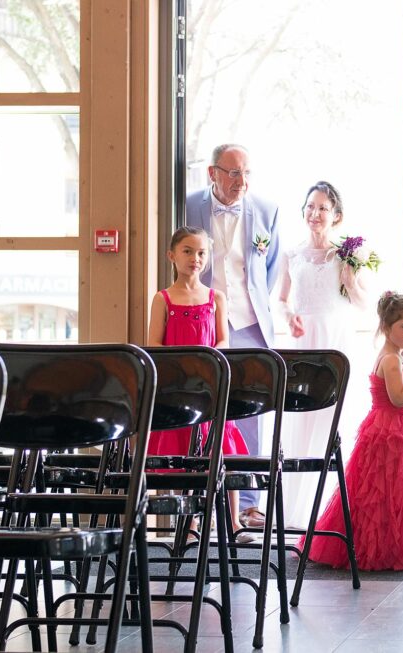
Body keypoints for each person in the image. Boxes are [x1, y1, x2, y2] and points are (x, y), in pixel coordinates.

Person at [303, 292, 403, 571]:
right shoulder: (391, 360)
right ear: (386, 327)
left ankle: (386, 546)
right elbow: (398, 398)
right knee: (384, 490)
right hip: (390, 429)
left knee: (391, 489)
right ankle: (377, 549)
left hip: (392, 427)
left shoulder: (396, 356)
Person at [186, 144, 281, 530]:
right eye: (233, 172)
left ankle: (249, 504)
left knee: (251, 412)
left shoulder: (267, 210)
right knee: (202, 409)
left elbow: (268, 268)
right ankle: (201, 503)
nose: (241, 181)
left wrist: (252, 305)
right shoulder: (188, 205)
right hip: (202, 321)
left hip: (248, 324)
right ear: (213, 173)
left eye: (246, 173)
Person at [275, 181, 372, 527]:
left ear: (336, 216)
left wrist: (351, 279)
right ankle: (298, 512)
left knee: (334, 416)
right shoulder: (292, 254)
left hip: (336, 339)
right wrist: (289, 316)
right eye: (310, 207)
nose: (314, 214)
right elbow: (281, 299)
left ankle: (334, 512)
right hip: (304, 341)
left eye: (323, 208)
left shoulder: (346, 254)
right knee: (301, 417)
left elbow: (364, 303)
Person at [147, 226, 250, 540]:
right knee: (184, 454)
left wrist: (208, 360)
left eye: (202, 252)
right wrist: (182, 365)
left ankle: (233, 522)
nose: (195, 258)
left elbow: (223, 339)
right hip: (179, 389)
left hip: (211, 387)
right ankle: (190, 524)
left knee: (221, 450)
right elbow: (154, 344)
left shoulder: (216, 297)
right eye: (188, 251)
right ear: (172, 255)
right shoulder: (163, 299)